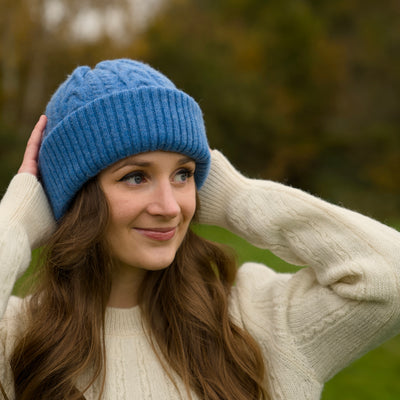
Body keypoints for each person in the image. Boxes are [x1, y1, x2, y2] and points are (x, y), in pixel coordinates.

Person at [0, 59, 400, 400]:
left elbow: (389, 278)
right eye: (136, 177)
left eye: (183, 174)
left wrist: (235, 195)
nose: (171, 207)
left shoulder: (251, 319)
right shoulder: (17, 340)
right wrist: (17, 222)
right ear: (78, 197)